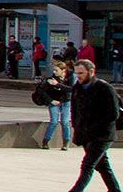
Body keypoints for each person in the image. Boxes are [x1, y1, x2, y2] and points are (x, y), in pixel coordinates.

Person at [69, 58, 121, 192]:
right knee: (102, 166)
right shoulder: (77, 88)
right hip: (86, 135)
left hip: (102, 135)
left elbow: (113, 114)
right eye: (77, 73)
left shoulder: (105, 88)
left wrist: (95, 128)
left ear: (91, 72)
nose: (78, 76)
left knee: (87, 165)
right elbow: (74, 111)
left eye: (81, 73)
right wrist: (77, 128)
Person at [43, 60, 74, 150]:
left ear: (63, 71)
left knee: (65, 122)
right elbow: (43, 92)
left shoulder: (70, 77)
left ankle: (66, 142)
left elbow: (71, 89)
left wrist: (58, 85)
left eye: (56, 70)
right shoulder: (51, 79)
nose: (54, 72)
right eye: (54, 70)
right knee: (54, 121)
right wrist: (51, 100)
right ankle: (46, 141)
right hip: (54, 102)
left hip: (65, 102)